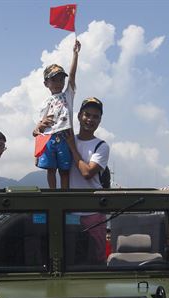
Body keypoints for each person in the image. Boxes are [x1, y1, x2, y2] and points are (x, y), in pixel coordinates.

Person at [65, 97, 109, 264]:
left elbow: (87, 172)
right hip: (68, 211)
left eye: (95, 117)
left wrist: (72, 147)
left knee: (96, 258)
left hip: (94, 211)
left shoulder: (102, 146)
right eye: (87, 115)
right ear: (78, 116)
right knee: (68, 256)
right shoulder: (67, 139)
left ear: (100, 120)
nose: (90, 120)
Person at [34, 40, 81, 189]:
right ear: (46, 83)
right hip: (49, 138)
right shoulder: (44, 103)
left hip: (65, 136)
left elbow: (72, 76)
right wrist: (38, 128)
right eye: (54, 79)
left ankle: (64, 195)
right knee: (50, 169)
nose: (58, 82)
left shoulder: (68, 95)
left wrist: (75, 55)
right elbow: (39, 128)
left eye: (61, 79)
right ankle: (52, 193)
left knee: (65, 170)